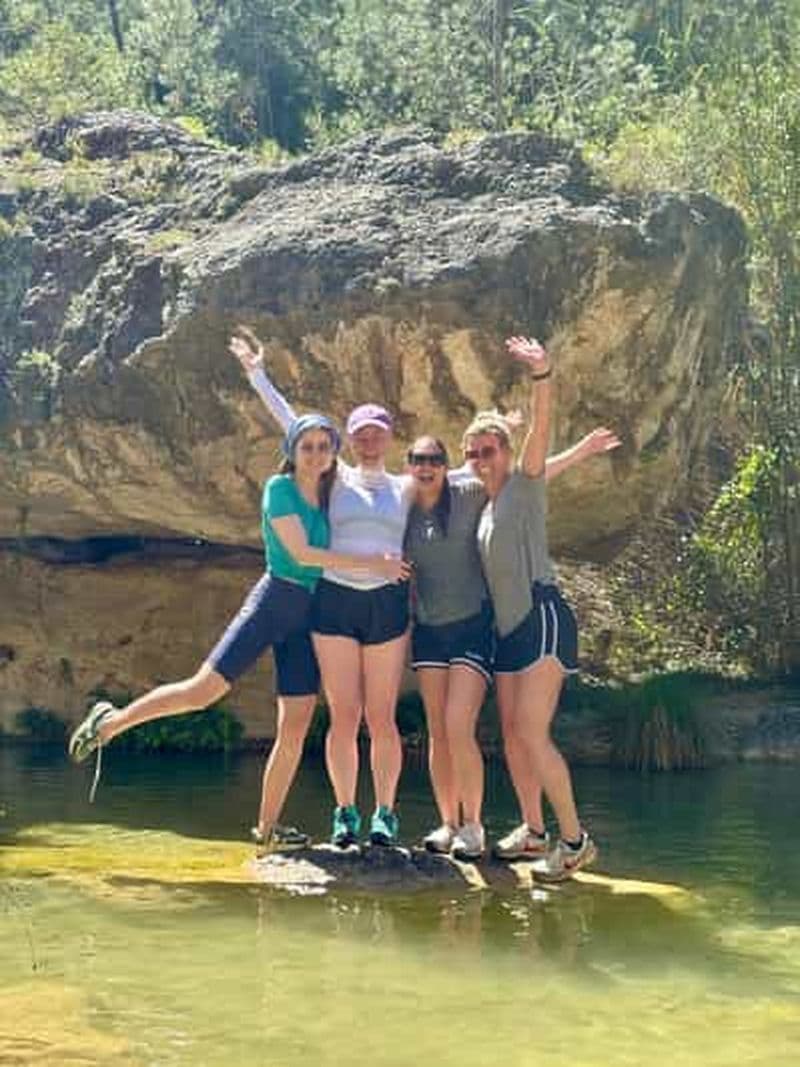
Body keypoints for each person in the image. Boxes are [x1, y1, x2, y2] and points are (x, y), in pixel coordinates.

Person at [68, 412, 409, 851]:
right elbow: (303, 555)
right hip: (274, 602)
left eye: (325, 447)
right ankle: (111, 723)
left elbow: (403, 486)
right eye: (307, 447)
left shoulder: (331, 491)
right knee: (203, 690)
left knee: (295, 726)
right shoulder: (279, 489)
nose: (317, 454)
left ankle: (266, 832)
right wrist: (374, 565)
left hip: (308, 620)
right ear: (291, 451)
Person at [232, 328, 416, 848]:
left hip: (386, 606)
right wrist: (256, 373)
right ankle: (343, 813)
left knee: (381, 717)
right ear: (349, 441)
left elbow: (464, 481)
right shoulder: (333, 478)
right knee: (344, 715)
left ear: (388, 436)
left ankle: (384, 814)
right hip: (334, 600)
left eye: (378, 431)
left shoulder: (405, 487)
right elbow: (293, 425)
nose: (370, 440)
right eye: (361, 433)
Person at [404, 424, 618, 860]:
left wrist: (578, 444)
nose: (426, 468)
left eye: (434, 460)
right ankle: (530, 830)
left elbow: (535, 472)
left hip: (530, 618)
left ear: (447, 466)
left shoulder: (482, 494)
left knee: (522, 731)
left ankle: (569, 839)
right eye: (418, 460)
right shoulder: (451, 500)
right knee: (497, 733)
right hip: (494, 633)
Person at [464, 334, 600, 881]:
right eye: (472, 454)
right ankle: (533, 831)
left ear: (505, 451)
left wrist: (543, 376)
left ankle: (574, 840)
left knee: (533, 731)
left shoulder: (521, 485)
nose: (478, 461)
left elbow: (541, 450)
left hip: (543, 619)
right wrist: (581, 453)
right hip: (508, 631)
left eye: (487, 451)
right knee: (514, 734)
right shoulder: (489, 504)